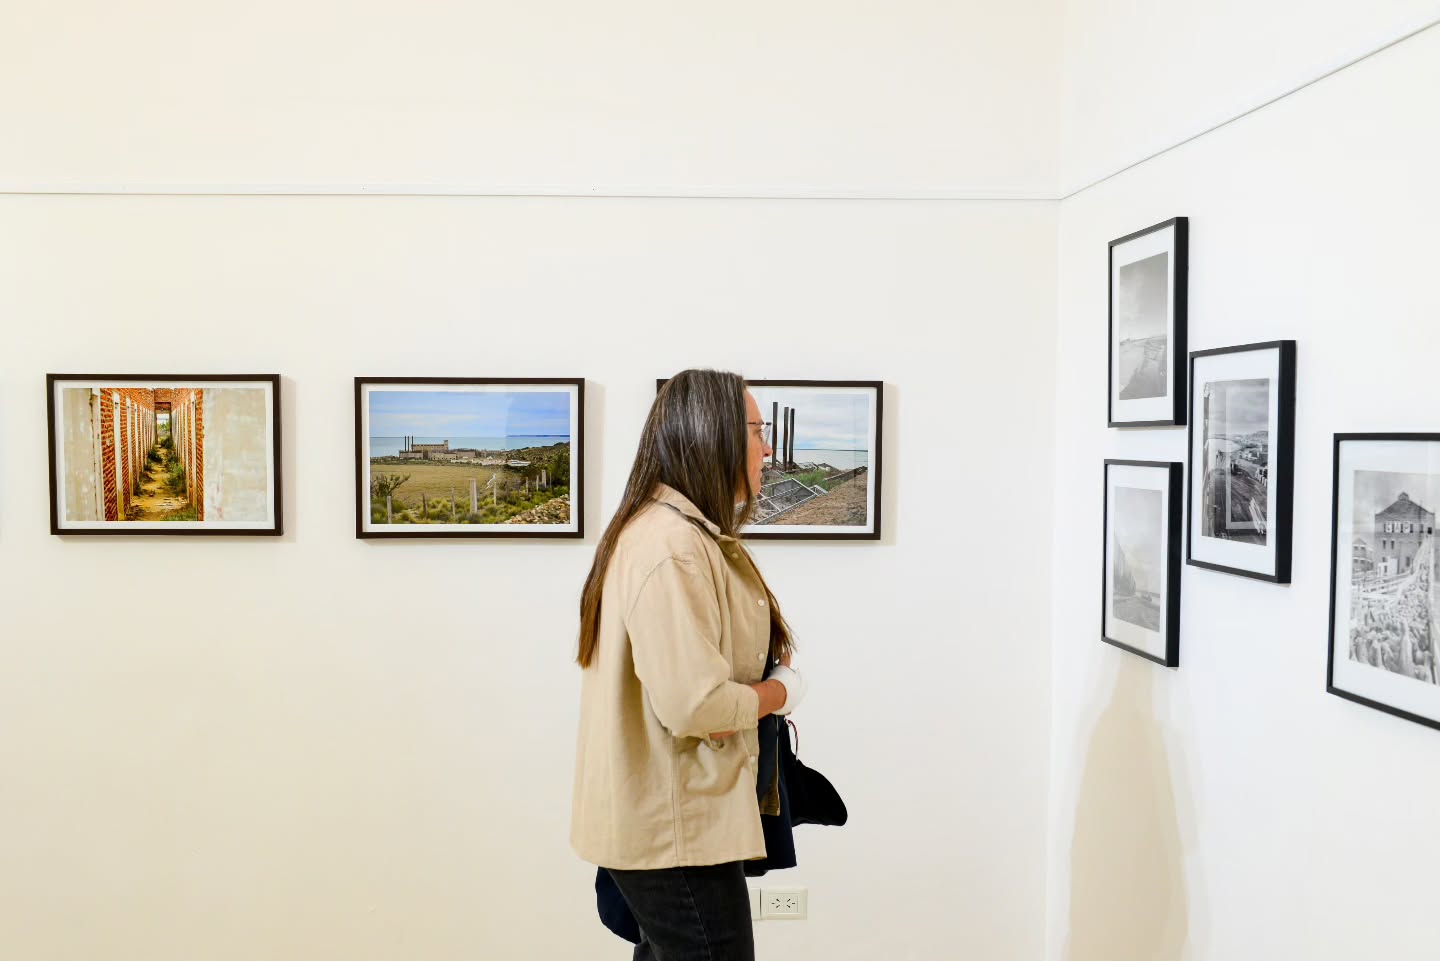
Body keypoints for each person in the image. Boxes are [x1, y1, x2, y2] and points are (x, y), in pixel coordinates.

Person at [572, 369, 807, 960]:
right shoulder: (671, 545)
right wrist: (781, 692)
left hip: (672, 821)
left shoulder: (675, 534)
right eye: (757, 430)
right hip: (674, 829)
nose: (768, 447)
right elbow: (694, 704)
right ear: (715, 438)